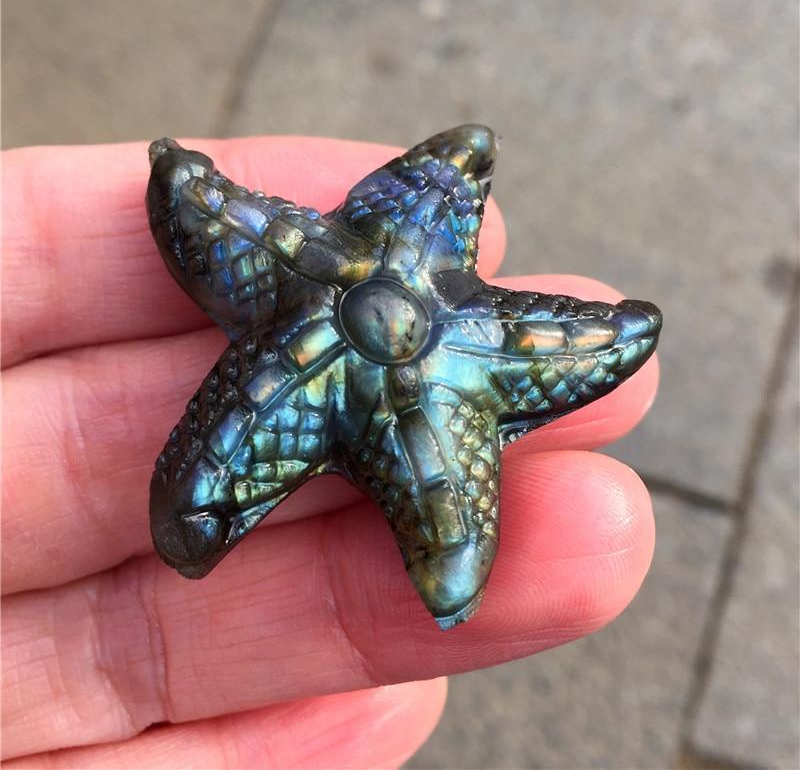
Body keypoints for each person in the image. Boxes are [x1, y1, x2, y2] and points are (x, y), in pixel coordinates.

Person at [2, 136, 659, 769]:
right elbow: (449, 166)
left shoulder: (346, 267)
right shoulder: (408, 255)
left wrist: (183, 184)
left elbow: (204, 204)